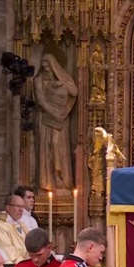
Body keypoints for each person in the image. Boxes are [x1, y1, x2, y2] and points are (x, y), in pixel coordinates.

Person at [34, 54, 78, 191]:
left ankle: (60, 177)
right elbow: (41, 100)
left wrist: (63, 83)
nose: (46, 69)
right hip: (46, 120)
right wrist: (53, 113)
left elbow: (74, 92)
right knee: (48, 147)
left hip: (60, 121)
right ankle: (48, 181)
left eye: (48, 66)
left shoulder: (61, 79)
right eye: (43, 66)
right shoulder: (39, 80)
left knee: (58, 146)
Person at [0, 195, 30, 266]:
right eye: (18, 206)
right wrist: (26, 263)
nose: (21, 210)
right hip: (12, 266)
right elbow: (8, 253)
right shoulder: (0, 226)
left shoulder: (22, 224)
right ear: (8, 207)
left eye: (22, 206)